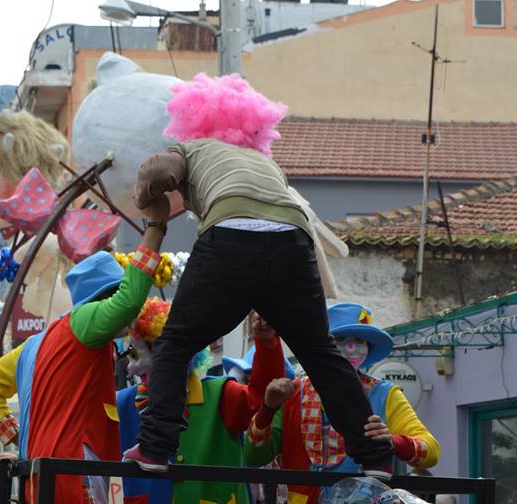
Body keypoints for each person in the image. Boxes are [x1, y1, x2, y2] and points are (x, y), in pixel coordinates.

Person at [122, 72, 393, 477]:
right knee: (319, 352)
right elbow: (299, 220)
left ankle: (157, 449)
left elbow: (158, 171)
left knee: (177, 341)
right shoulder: (266, 164)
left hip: (230, 238)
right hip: (292, 244)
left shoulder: (192, 148)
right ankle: (374, 457)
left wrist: (149, 202)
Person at [0, 198, 170, 504]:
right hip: (73, 472)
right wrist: (155, 230)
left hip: (43, 471)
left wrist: (15, 434)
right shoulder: (87, 323)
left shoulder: (36, 344)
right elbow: (129, 302)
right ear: (101, 299)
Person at [244, 302, 440, 504]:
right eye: (339, 340)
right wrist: (267, 409)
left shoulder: (385, 394)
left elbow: (430, 451)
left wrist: (393, 441)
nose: (350, 348)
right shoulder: (293, 392)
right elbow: (255, 457)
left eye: (359, 340)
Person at [117, 309, 284, 504]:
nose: (131, 367)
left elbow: (261, 397)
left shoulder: (220, 394)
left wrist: (266, 343)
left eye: (147, 351)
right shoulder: (125, 403)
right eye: (133, 352)